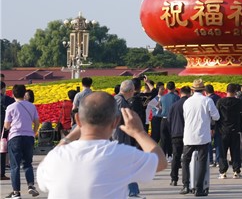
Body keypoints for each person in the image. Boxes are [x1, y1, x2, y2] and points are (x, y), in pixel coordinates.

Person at [37, 92, 167, 198]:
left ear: (77, 119)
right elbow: (160, 162)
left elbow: (42, 185)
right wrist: (139, 133)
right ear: (115, 122)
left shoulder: (56, 157)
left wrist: (69, 137)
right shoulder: (121, 155)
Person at [181, 79, 220, 196]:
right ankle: (199, 188)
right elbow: (216, 117)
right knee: (202, 162)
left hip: (189, 136)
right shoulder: (207, 101)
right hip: (203, 136)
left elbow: (185, 117)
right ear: (203, 90)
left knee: (185, 161)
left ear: (192, 90)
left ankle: (186, 185)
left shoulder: (187, 102)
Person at [3, 84, 40, 198]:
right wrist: (33, 133)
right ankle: (30, 186)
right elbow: (37, 122)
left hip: (15, 138)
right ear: (24, 94)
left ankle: (16, 193)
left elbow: (7, 125)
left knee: (15, 166)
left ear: (13, 94)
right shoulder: (31, 106)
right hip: (28, 137)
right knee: (28, 163)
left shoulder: (11, 107)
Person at [113, 80, 144, 199]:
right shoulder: (121, 101)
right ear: (131, 91)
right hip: (119, 138)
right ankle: (133, 192)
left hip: (117, 137)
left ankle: (129, 191)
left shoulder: (116, 99)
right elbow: (120, 120)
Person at [215, 83, 242, 180]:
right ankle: (236, 171)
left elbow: (216, 116)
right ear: (235, 91)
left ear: (226, 90)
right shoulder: (238, 102)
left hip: (223, 130)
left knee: (222, 152)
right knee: (235, 151)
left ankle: (223, 172)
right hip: (235, 129)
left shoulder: (220, 102)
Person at [166, 86, 192, 187]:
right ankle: (187, 180)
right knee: (188, 159)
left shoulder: (174, 106)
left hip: (176, 134)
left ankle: (174, 178)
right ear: (189, 93)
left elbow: (169, 120)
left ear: (180, 93)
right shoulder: (190, 104)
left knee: (176, 157)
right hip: (188, 134)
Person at [159, 81, 179, 159]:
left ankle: (163, 155)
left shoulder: (162, 97)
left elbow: (160, 107)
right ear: (174, 88)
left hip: (163, 119)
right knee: (172, 138)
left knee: (163, 139)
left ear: (167, 88)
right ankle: (170, 155)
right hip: (173, 120)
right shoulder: (176, 97)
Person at [0, 81, 15, 182]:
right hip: (3, 127)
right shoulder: (7, 99)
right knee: (2, 150)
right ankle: (1, 173)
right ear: (4, 88)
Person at [204, 85, 221, 167]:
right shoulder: (219, 98)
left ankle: (210, 160)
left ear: (206, 92)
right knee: (218, 143)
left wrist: (211, 127)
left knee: (209, 143)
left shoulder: (207, 100)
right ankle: (218, 160)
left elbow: (210, 114)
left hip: (210, 124)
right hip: (219, 124)